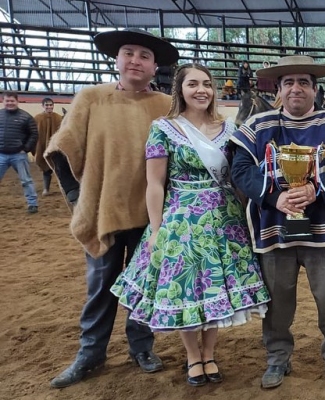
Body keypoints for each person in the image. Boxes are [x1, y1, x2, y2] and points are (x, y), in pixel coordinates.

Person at [110, 63, 270, 387]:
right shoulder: (164, 128)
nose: (202, 90)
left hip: (225, 221)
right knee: (183, 291)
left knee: (214, 290)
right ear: (180, 90)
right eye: (193, 84)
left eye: (207, 84)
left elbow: (237, 178)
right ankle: (192, 356)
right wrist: (156, 230)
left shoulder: (227, 128)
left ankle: (209, 353)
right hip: (181, 220)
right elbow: (154, 183)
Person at [44, 28, 180, 388]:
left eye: (144, 56)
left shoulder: (166, 106)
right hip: (104, 210)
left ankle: (141, 346)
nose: (136, 60)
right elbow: (62, 148)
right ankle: (91, 353)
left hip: (152, 215)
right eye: (129, 53)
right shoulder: (91, 98)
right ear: (117, 60)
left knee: (144, 287)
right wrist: (77, 198)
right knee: (101, 285)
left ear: (155, 68)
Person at [230, 55, 325, 392]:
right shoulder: (257, 126)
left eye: (303, 82)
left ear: (315, 89)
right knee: (277, 303)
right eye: (288, 83)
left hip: (324, 232)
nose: (296, 89)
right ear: (278, 89)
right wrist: (273, 197)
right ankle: (278, 357)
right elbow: (240, 170)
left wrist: (316, 190)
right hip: (274, 230)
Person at [0, 91, 39, 213]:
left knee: (26, 180)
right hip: (1, 154)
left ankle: (32, 204)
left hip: (19, 155)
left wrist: (26, 149)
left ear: (17, 101)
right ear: (3, 101)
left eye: (12, 101)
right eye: (7, 101)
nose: (10, 103)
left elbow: (34, 134)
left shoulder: (26, 117)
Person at [33, 97, 63, 196]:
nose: (49, 107)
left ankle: (63, 188)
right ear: (43, 106)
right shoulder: (37, 118)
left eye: (51, 105)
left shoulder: (59, 118)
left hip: (56, 147)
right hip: (42, 147)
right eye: (47, 105)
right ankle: (46, 189)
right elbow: (34, 133)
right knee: (46, 169)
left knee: (60, 168)